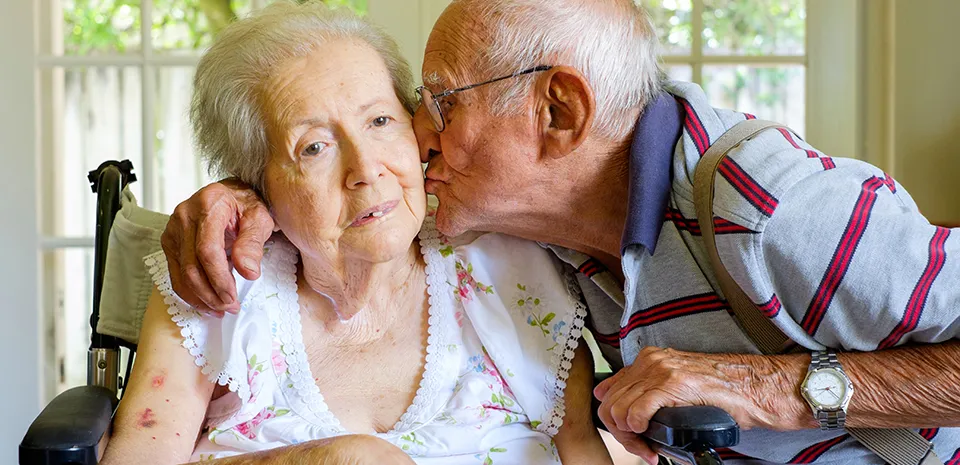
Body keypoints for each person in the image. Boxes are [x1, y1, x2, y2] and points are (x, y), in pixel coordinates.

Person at [158, 0, 960, 464]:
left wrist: (768, 388)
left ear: (558, 112)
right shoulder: (528, 228)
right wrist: (244, 193)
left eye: (442, 102)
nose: (416, 138)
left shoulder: (771, 210)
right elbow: (351, 192)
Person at [99, 3, 613, 464]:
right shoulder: (218, 285)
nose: (366, 168)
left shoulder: (509, 271)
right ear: (256, 184)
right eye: (314, 147)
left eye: (382, 120)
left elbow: (582, 451)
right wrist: (334, 460)